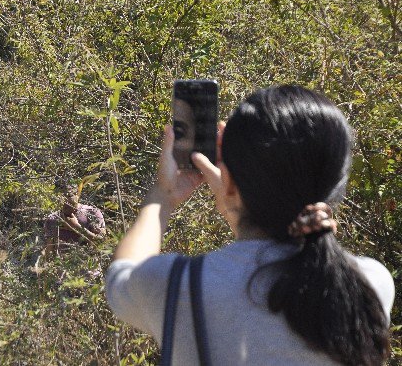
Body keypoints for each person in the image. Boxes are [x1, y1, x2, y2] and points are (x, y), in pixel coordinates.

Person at [106, 85, 394, 365]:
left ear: (229, 181)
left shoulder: (178, 285)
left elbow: (120, 276)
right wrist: (236, 198)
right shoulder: (370, 285)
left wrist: (162, 197)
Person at [44, 184, 106, 257]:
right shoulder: (53, 218)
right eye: (61, 197)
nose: (65, 200)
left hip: (88, 263)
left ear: (77, 195)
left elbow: (101, 241)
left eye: (69, 196)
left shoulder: (92, 212)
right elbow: (49, 252)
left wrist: (76, 227)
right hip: (62, 265)